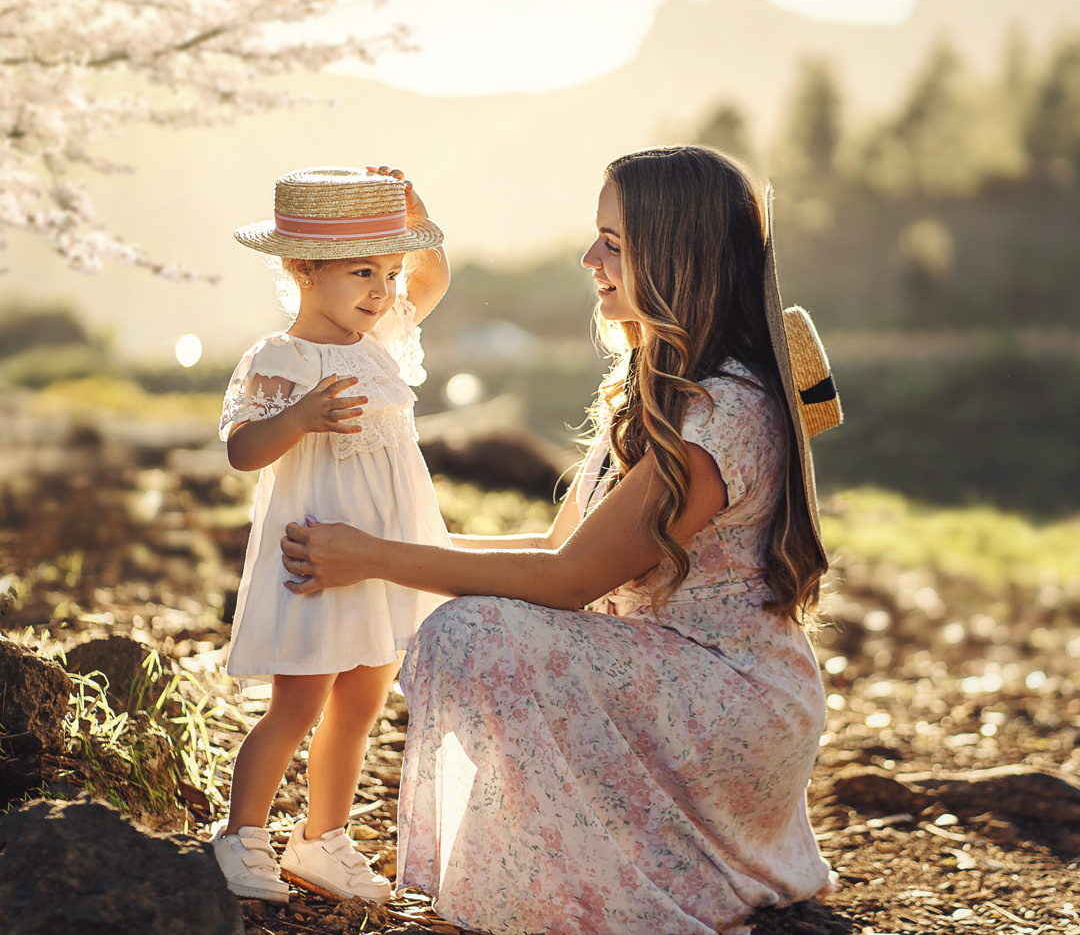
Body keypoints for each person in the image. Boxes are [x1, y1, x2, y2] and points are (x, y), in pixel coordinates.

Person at [281, 146, 843, 934]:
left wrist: (372, 558)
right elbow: (555, 545)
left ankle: (596, 889)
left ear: (676, 256)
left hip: (727, 704)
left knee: (471, 633)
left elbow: (569, 578)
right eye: (597, 237)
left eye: (614, 243)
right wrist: (377, 544)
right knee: (470, 620)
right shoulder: (652, 386)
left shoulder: (723, 411)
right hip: (666, 676)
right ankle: (591, 877)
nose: (590, 259)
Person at [210, 165, 452, 904]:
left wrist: (411, 209)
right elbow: (242, 450)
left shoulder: (378, 337)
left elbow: (433, 275)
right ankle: (242, 833)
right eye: (361, 273)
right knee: (299, 702)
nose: (382, 292)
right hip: (317, 554)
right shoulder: (284, 356)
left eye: (387, 272)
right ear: (303, 270)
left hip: (379, 558)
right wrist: (298, 418)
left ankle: (321, 837)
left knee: (363, 699)